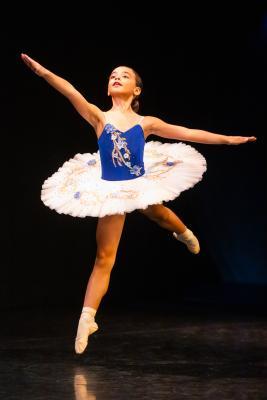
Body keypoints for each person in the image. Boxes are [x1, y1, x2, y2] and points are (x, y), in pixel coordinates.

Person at [21, 53, 257, 354]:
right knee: (105, 257)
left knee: (156, 212)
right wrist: (43, 72)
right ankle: (86, 319)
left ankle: (184, 233)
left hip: (139, 181)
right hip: (110, 188)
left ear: (137, 91)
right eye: (112, 75)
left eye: (124, 75)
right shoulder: (98, 116)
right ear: (108, 88)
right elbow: (70, 91)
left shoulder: (147, 123)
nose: (116, 77)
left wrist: (226, 140)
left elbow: (186, 133)